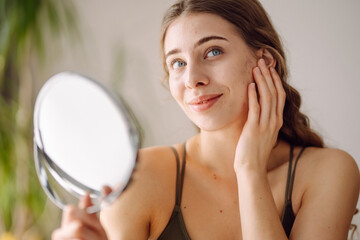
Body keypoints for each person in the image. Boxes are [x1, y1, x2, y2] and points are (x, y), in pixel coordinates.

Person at [52, 0, 360, 239]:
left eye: (213, 52)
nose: (192, 79)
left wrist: (250, 169)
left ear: (264, 62)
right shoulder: (139, 178)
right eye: (178, 63)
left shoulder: (330, 171)